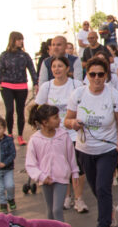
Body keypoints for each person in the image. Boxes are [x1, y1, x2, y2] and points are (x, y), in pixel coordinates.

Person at [64, 57, 118, 227]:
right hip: (84, 149)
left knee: (103, 187)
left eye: (101, 74)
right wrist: (73, 124)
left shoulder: (114, 95)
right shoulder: (78, 94)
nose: (97, 78)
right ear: (87, 75)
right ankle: (109, 210)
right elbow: (67, 120)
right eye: (93, 74)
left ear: (106, 75)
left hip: (107, 148)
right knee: (95, 188)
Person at [34, 55, 88, 215]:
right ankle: (66, 196)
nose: (57, 69)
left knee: (78, 166)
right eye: (54, 67)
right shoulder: (47, 87)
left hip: (74, 132)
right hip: (55, 134)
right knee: (61, 166)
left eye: (60, 66)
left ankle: (79, 198)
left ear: (67, 68)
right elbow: (39, 108)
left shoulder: (76, 85)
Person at [25, 103, 79, 222]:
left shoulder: (63, 136)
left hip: (62, 178)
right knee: (50, 211)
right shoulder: (35, 140)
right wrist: (41, 176)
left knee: (56, 209)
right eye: (55, 117)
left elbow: (71, 156)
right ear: (45, 122)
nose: (59, 120)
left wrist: (74, 173)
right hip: (45, 180)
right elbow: (30, 164)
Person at [0, 31, 38, 146]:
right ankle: (9, 133)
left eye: (22, 39)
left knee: (20, 111)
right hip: (7, 86)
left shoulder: (25, 55)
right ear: (12, 40)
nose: (21, 41)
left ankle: (20, 136)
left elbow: (32, 69)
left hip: (21, 86)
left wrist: (36, 83)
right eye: (18, 39)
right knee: (9, 110)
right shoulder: (4, 55)